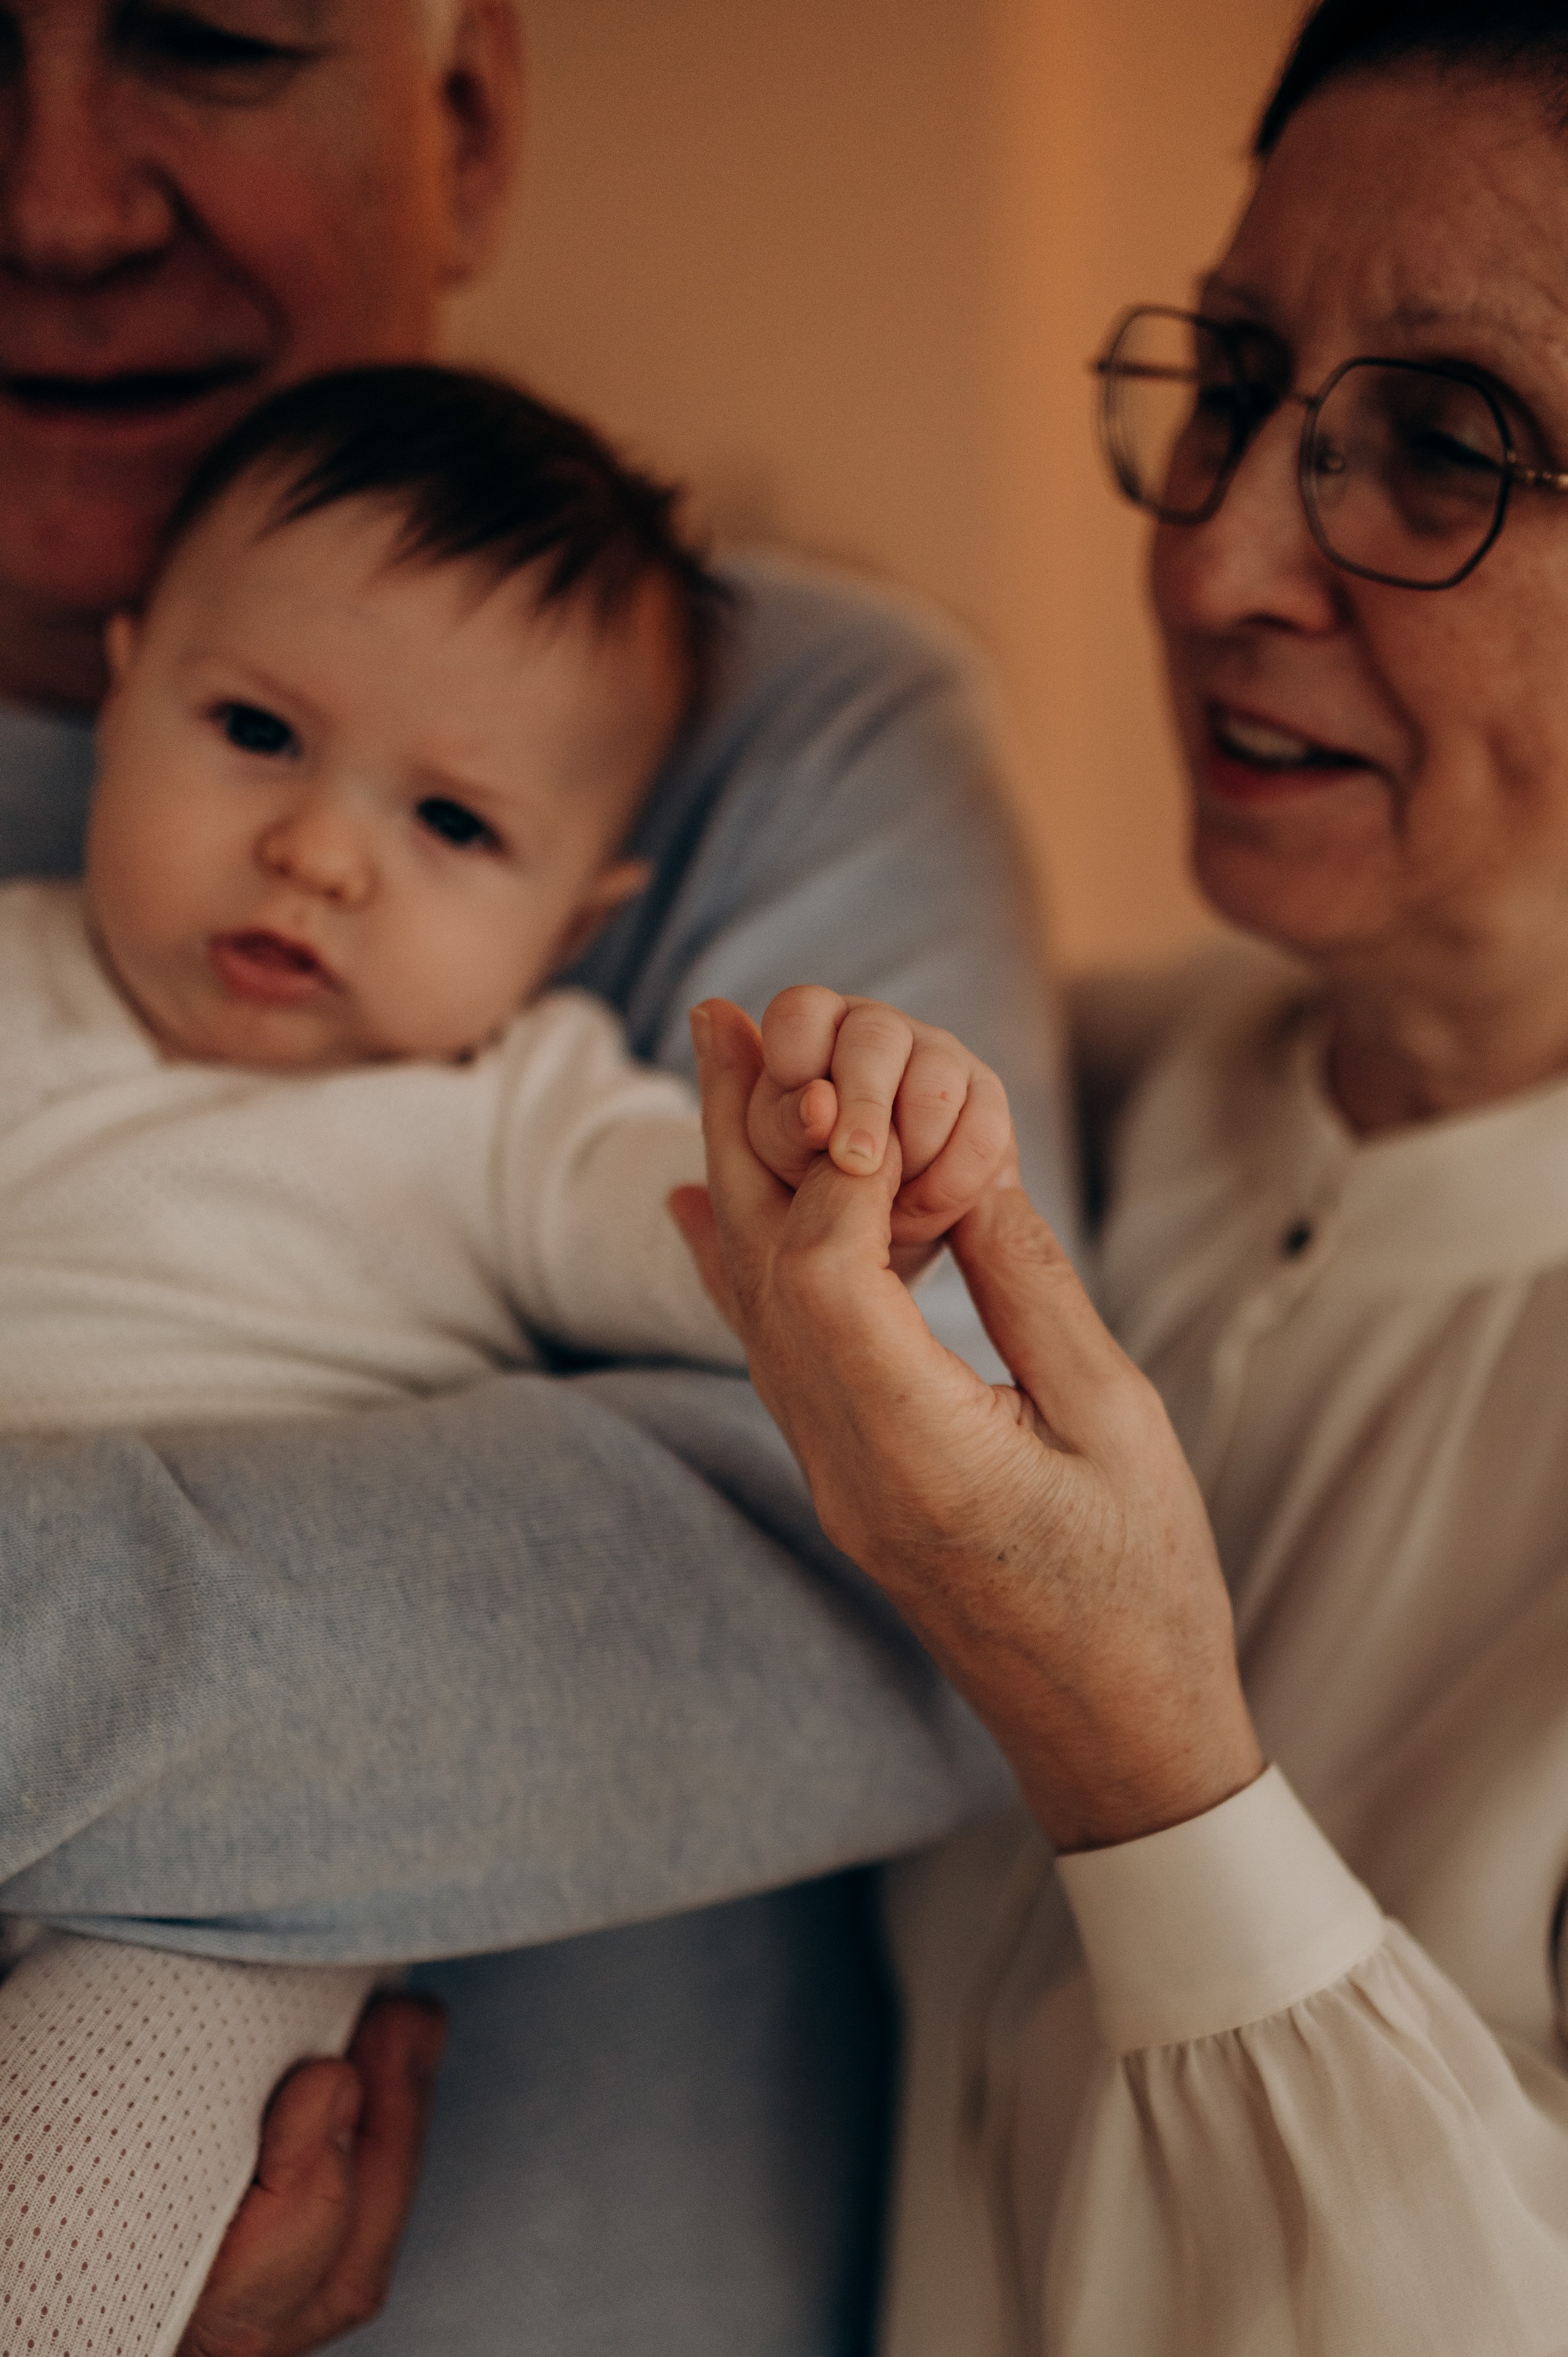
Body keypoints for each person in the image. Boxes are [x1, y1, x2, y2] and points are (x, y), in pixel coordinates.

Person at [0, 6, 1072, 2354]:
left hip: (215, 1964)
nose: (315, 850)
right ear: (131, 675)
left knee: (65, 2213)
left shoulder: (518, 1085)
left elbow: (915, 1518)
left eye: (211, 33)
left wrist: (831, 1200)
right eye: (254, 733)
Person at [682, 2, 1568, 2350]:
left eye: (1444, 449)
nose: (1217, 570)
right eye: (1239, 381)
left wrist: (1139, 1756)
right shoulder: (1055, 1111)